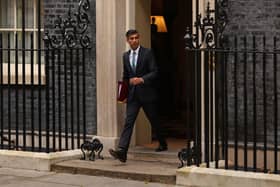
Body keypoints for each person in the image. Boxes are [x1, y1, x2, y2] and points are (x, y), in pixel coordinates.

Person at [109, 29, 168, 163]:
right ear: (127, 41)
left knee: (154, 120)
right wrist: (122, 94)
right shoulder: (125, 56)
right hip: (133, 96)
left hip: (148, 94)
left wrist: (142, 79)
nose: (134, 40)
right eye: (131, 38)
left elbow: (155, 72)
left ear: (139, 38)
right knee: (128, 122)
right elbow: (125, 76)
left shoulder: (147, 53)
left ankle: (163, 143)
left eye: (136, 38)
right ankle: (122, 151)